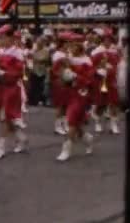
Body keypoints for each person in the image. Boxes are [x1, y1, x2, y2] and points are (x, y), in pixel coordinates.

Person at [0, 24, 29, 160]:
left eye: (2, 38)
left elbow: (18, 72)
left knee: (5, 117)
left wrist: (2, 73)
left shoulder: (17, 52)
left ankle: (1, 147)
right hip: (1, 88)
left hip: (12, 88)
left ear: (11, 38)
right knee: (4, 118)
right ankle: (21, 137)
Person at [56, 32, 95, 162]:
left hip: (81, 94)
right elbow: (58, 73)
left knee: (71, 120)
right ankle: (88, 138)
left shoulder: (87, 61)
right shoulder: (68, 59)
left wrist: (75, 76)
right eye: (69, 44)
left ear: (79, 46)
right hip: (69, 93)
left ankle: (66, 150)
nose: (70, 47)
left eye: (73, 45)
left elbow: (89, 80)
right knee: (76, 124)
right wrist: (63, 73)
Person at [90, 28, 122, 134]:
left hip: (111, 79)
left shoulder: (114, 51)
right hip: (100, 80)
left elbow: (117, 64)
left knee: (113, 102)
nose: (108, 42)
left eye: (110, 40)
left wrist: (114, 71)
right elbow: (91, 66)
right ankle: (98, 122)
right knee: (100, 103)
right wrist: (98, 70)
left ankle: (113, 125)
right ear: (102, 40)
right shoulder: (96, 51)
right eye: (106, 40)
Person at [51, 33, 72, 135]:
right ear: (62, 44)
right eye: (67, 42)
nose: (69, 44)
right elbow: (55, 70)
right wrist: (61, 76)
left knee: (66, 105)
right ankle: (57, 126)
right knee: (60, 105)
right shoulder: (58, 54)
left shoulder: (66, 54)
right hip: (60, 82)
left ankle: (64, 124)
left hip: (67, 82)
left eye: (69, 42)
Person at [29, 37, 50, 106]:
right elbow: (30, 59)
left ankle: (41, 100)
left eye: (40, 43)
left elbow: (45, 59)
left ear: (42, 44)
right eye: (38, 43)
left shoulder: (45, 51)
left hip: (42, 71)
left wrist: (37, 59)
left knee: (41, 87)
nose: (38, 44)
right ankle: (33, 101)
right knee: (33, 86)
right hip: (34, 70)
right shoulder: (34, 51)